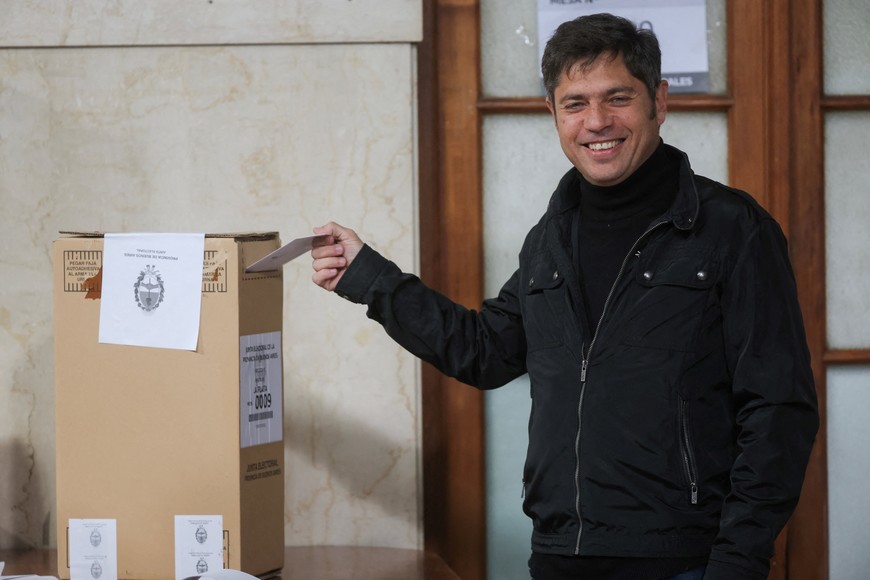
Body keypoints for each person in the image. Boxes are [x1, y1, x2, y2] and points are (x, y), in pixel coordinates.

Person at [310, 13, 818, 580]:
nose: (597, 122)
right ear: (552, 113)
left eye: (618, 98)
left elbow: (779, 411)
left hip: (687, 562)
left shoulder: (731, 229)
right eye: (575, 103)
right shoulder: (550, 238)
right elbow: (485, 350)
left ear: (659, 101)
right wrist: (370, 278)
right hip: (559, 555)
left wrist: (737, 562)